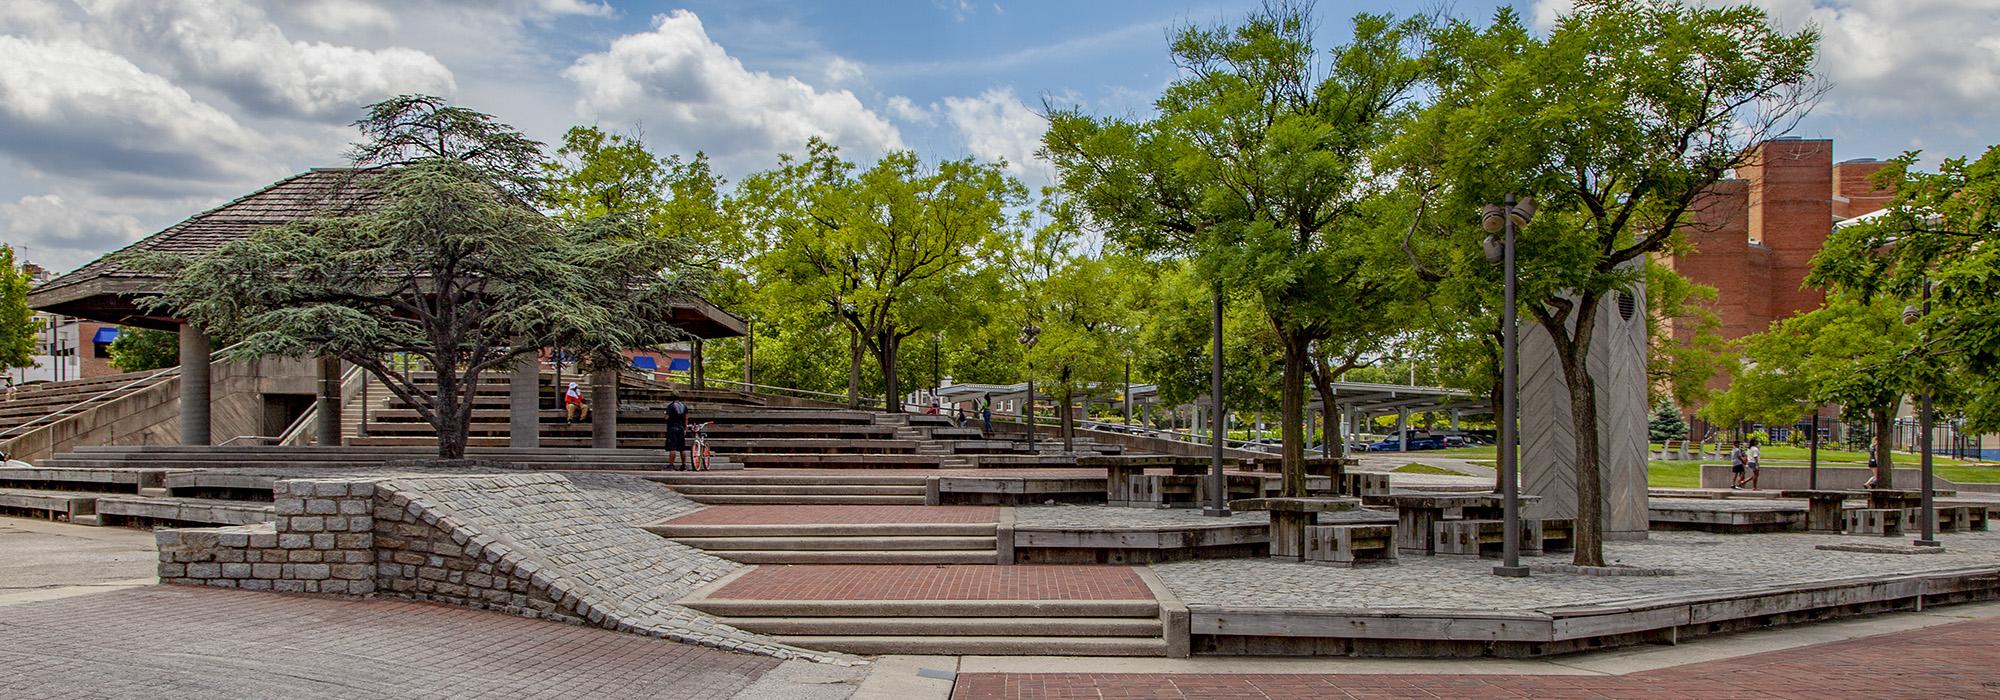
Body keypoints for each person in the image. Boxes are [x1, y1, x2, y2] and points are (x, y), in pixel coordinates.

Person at [664, 393, 692, 471]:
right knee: (682, 448)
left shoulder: (671, 406)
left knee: (672, 447)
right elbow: (686, 418)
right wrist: (685, 429)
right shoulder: (684, 406)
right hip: (681, 428)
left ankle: (671, 465)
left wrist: (665, 415)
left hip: (672, 428)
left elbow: (666, 417)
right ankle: (683, 465)